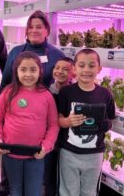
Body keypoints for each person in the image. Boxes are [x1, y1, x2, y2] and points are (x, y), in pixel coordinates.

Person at [0, 51, 59, 196]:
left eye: (33, 69)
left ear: (40, 71)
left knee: (33, 192)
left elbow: (53, 125)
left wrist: (46, 146)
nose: (28, 74)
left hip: (36, 155)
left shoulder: (46, 95)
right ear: (16, 71)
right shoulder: (8, 92)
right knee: (15, 191)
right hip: (11, 154)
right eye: (23, 69)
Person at [57, 49, 116, 196]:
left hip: (94, 155)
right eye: (82, 65)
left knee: (89, 192)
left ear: (99, 69)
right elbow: (58, 120)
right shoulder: (66, 92)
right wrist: (68, 121)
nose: (86, 70)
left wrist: (105, 125)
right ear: (74, 69)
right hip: (68, 153)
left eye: (91, 66)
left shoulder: (105, 94)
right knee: (68, 191)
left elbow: (110, 120)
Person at [0, 10, 65, 90]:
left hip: (45, 100)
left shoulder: (57, 55)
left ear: (47, 31)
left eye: (39, 27)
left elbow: (64, 84)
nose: (34, 31)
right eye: (30, 27)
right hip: (16, 100)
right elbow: (5, 83)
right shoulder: (15, 52)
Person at [44, 57, 74, 196]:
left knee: (66, 176)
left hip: (69, 142)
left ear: (73, 73)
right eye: (57, 68)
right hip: (50, 140)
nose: (60, 71)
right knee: (49, 174)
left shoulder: (75, 93)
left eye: (65, 69)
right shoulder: (47, 92)